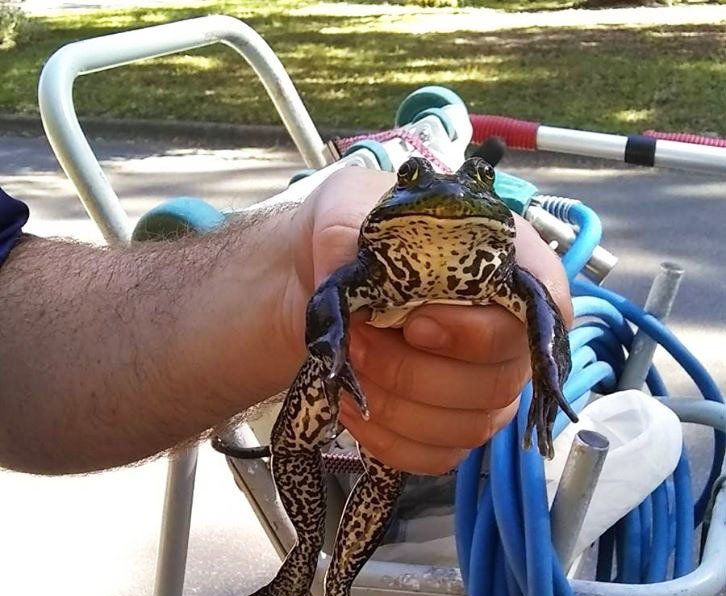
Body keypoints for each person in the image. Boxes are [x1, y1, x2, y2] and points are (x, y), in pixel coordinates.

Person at [0, 168, 571, 477]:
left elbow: (538, 308)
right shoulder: (367, 269)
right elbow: (334, 292)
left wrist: (547, 371)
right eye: (413, 179)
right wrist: (326, 340)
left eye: (477, 182)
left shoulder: (504, 275)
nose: (445, 196)